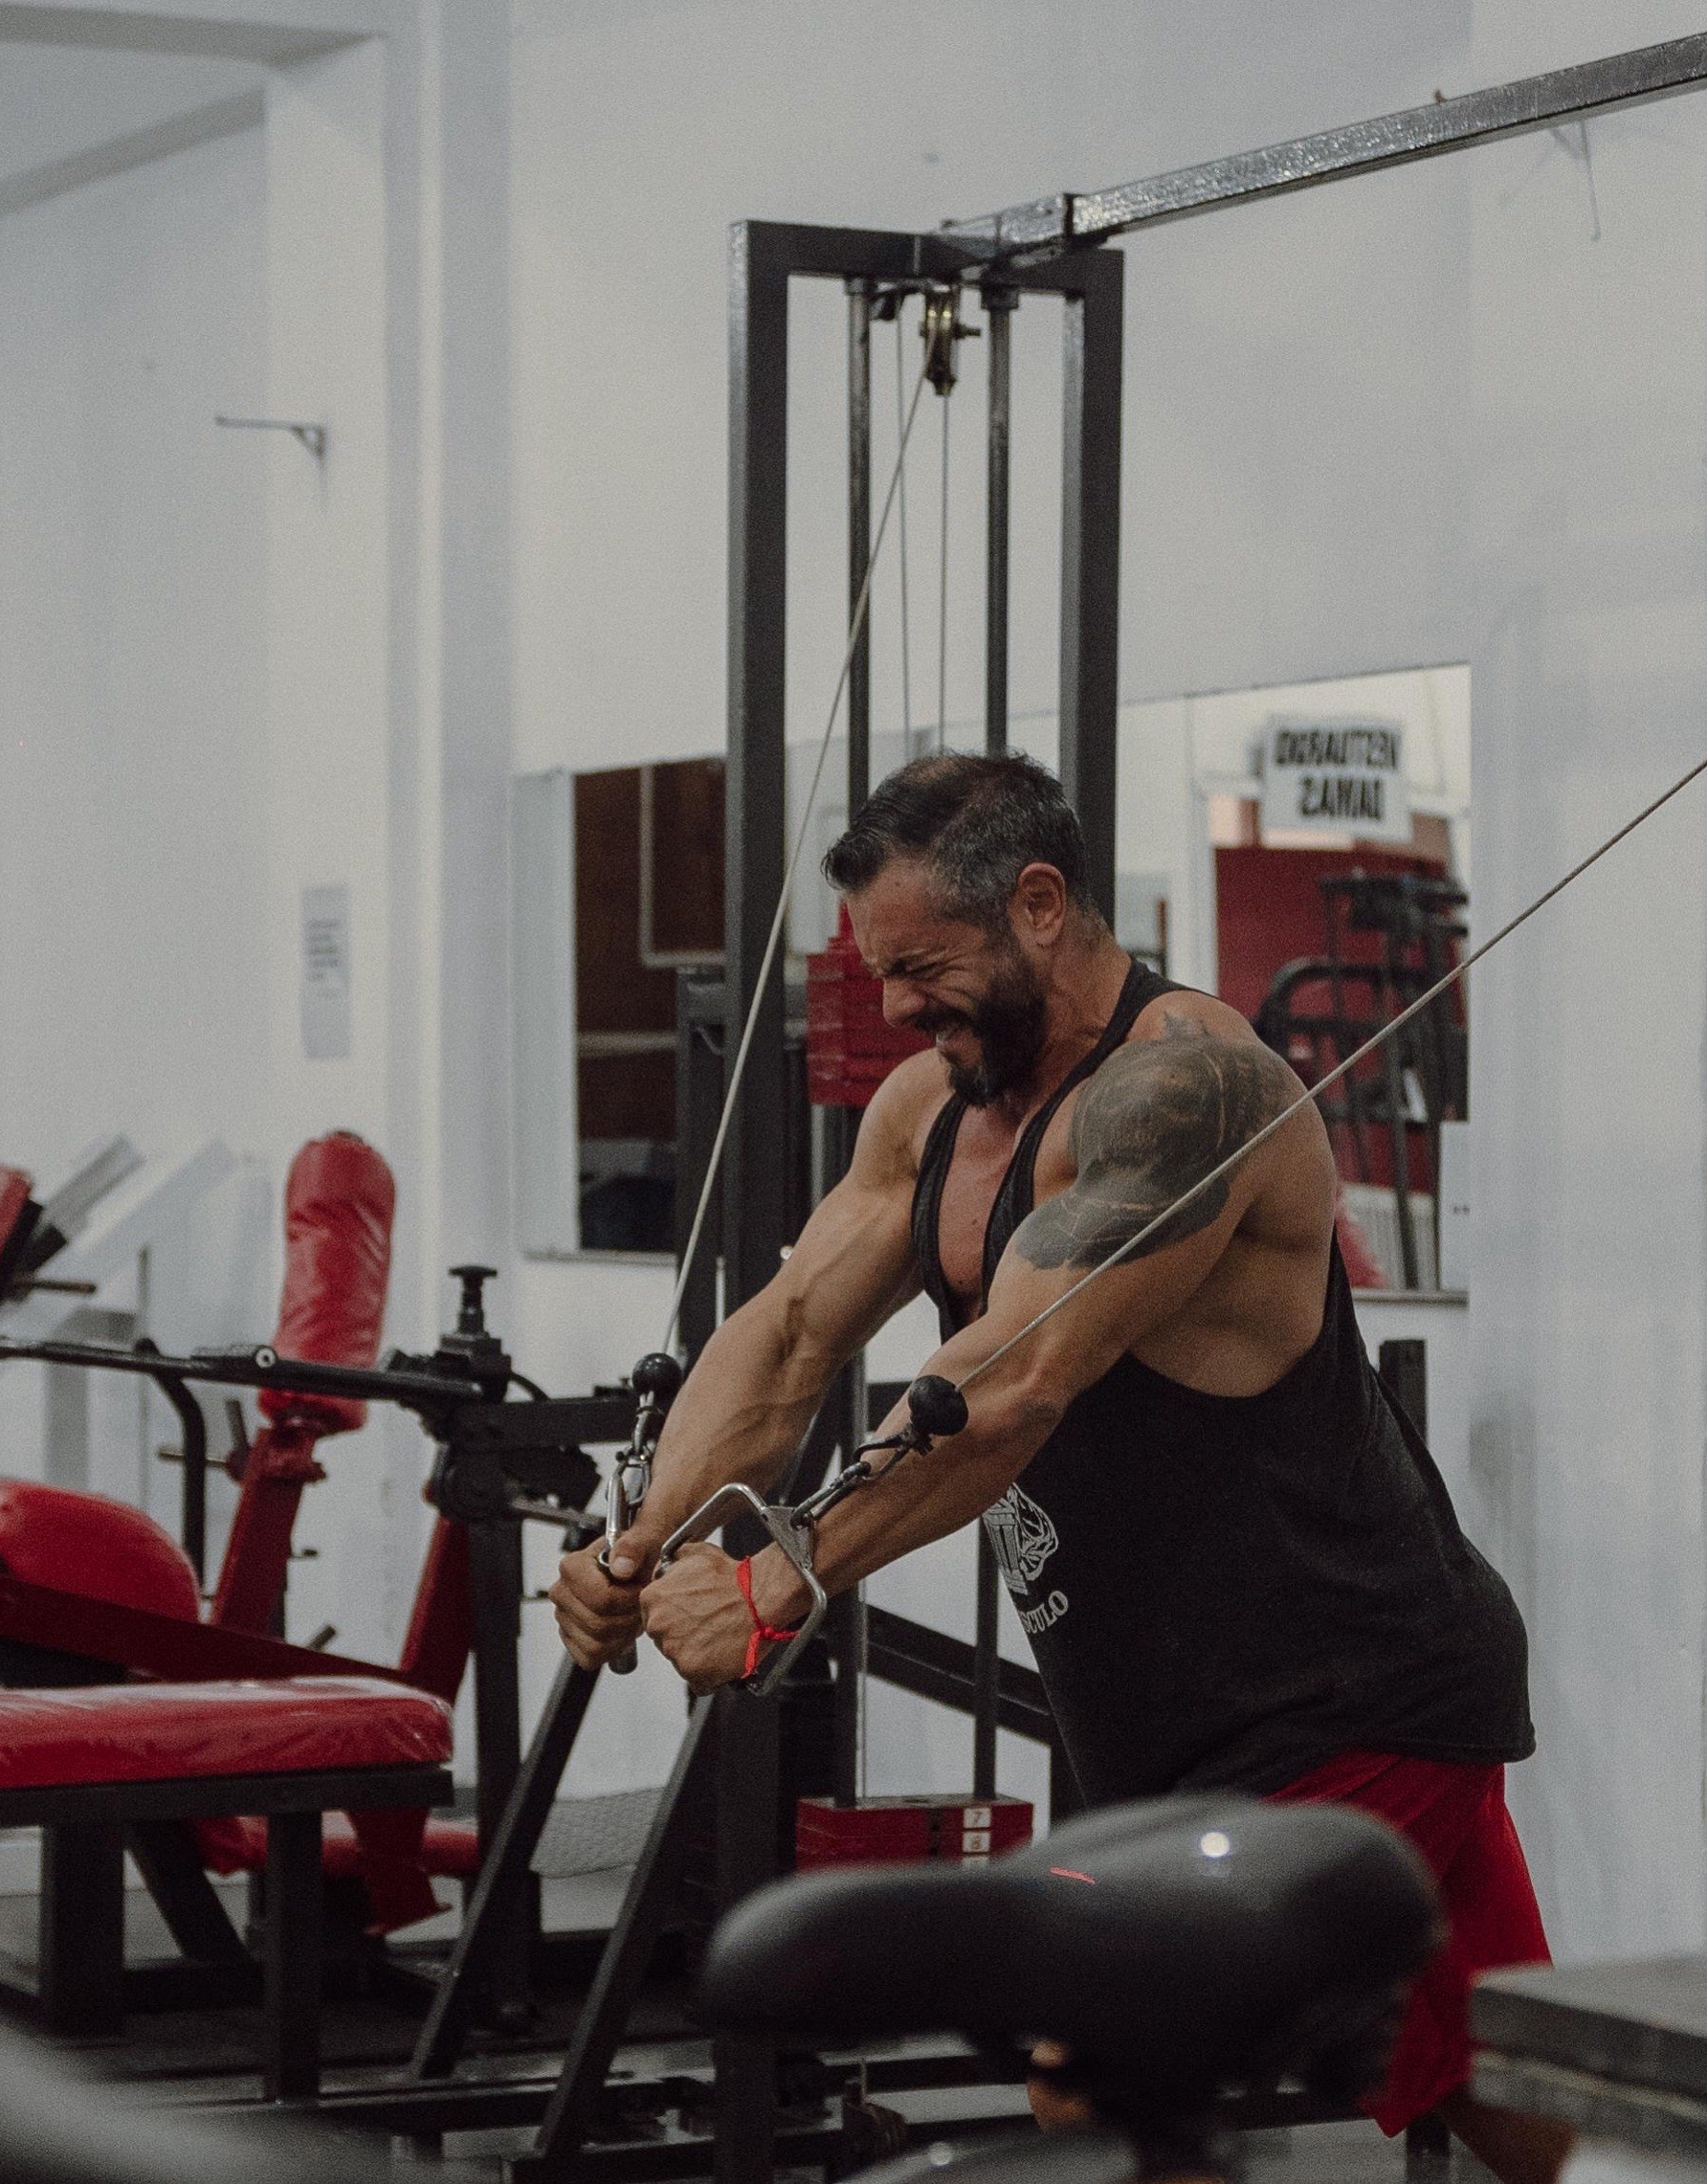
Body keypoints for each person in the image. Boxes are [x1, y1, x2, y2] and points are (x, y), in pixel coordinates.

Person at [550, 752, 1567, 2184]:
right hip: (1168, 1711)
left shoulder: (1190, 1094)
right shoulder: (922, 1109)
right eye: (878, 971)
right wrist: (639, 1536)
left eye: (921, 966)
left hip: (1345, 1688)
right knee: (1511, 2079)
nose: (893, 1007)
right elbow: (786, 1337)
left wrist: (782, 1572)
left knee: (1086, 2070)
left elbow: (1015, 1378)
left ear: (1038, 904)